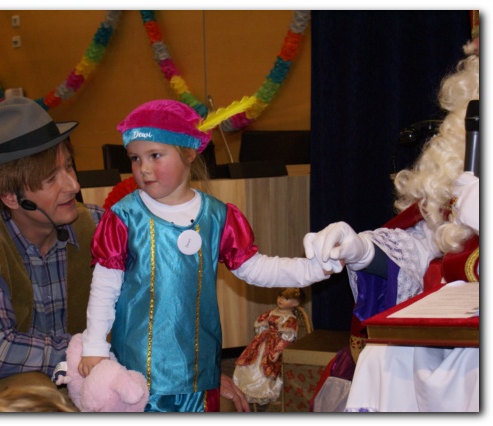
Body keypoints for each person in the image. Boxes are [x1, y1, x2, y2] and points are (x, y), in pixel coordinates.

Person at [76, 99, 331, 412]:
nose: (144, 168)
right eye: (135, 158)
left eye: (155, 155)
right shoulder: (124, 217)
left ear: (188, 153)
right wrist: (94, 346)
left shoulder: (218, 216)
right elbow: (105, 286)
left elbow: (256, 268)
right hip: (138, 374)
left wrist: (313, 269)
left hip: (199, 371)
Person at [303, 36, 479, 412]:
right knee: (385, 356)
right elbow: (422, 248)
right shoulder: (466, 177)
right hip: (453, 338)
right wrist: (365, 252)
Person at [0, 96, 104, 404]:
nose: (73, 185)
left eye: (69, 167)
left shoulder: (98, 225)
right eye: (51, 178)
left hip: (87, 396)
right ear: (11, 196)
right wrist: (92, 349)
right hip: (2, 405)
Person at [233, 288, 305, 405]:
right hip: (264, 342)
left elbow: (287, 339)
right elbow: (263, 326)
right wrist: (262, 333)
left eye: (286, 298)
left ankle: (264, 389)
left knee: (267, 366)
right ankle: (247, 386)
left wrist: (278, 351)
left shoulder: (290, 319)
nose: (281, 300)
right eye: (280, 296)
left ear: (296, 303)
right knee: (252, 360)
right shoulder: (272, 312)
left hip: (274, 346)